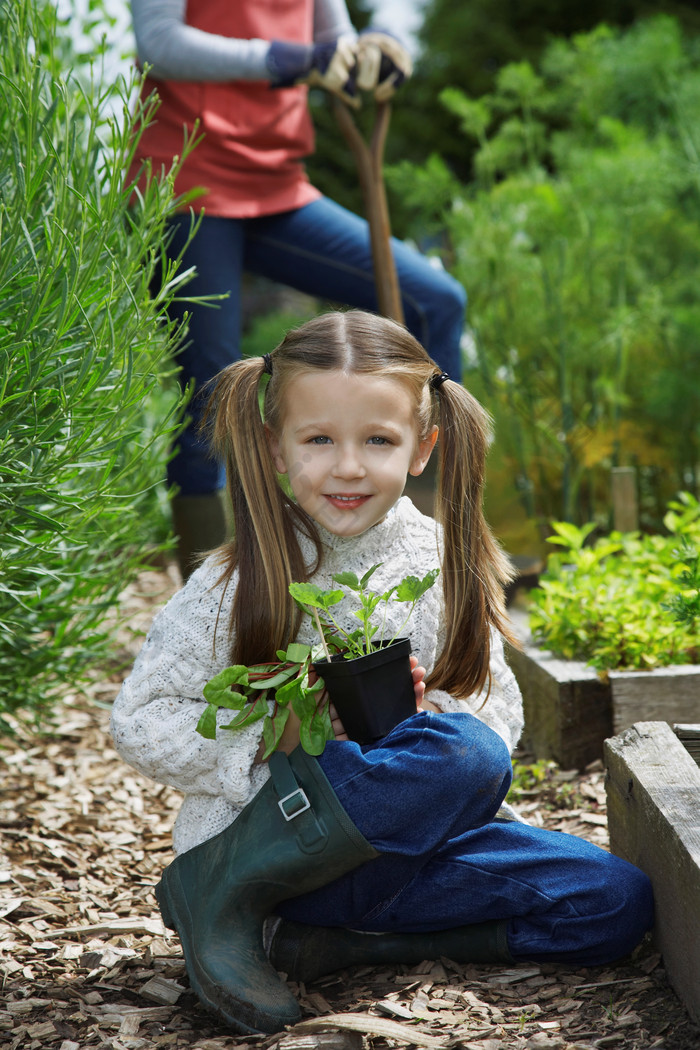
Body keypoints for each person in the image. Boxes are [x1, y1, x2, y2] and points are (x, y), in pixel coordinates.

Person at [111, 310, 653, 1037]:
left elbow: (494, 710)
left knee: (613, 900)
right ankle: (225, 891)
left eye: (378, 440)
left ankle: (334, 950)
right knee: (468, 754)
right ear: (275, 448)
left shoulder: (436, 561)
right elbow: (139, 720)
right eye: (319, 440)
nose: (348, 466)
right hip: (286, 868)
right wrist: (277, 731)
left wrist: (425, 720)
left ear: (422, 447)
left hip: (409, 852)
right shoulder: (233, 581)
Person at [127, 0, 468, 579]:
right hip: (182, 179)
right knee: (211, 389)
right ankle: (214, 601)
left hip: (278, 182)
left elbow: (334, 42)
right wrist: (292, 59)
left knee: (434, 301)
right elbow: (160, 40)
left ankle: (429, 556)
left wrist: (379, 44)